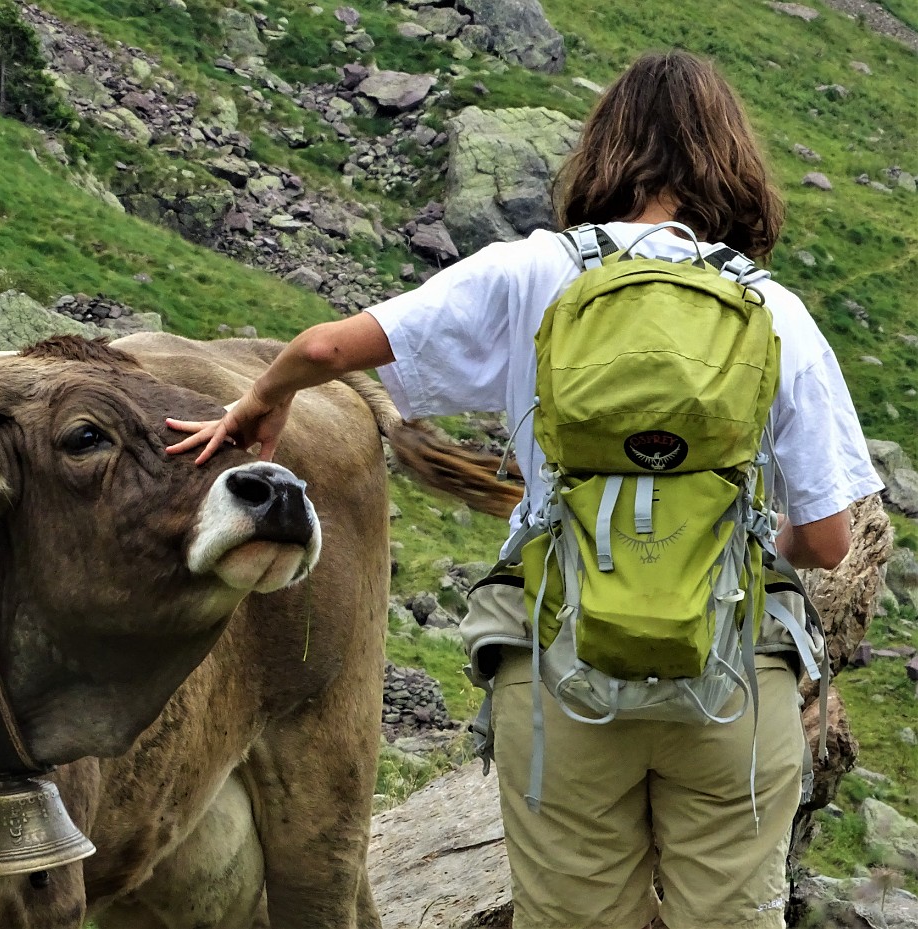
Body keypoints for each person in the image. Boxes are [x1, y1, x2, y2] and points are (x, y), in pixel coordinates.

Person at [165, 49, 883, 929]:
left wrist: (259, 405)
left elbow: (324, 352)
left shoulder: (530, 271)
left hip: (560, 674)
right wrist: (715, 547)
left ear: (602, 152)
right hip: (730, 681)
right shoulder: (775, 312)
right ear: (730, 161)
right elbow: (828, 542)